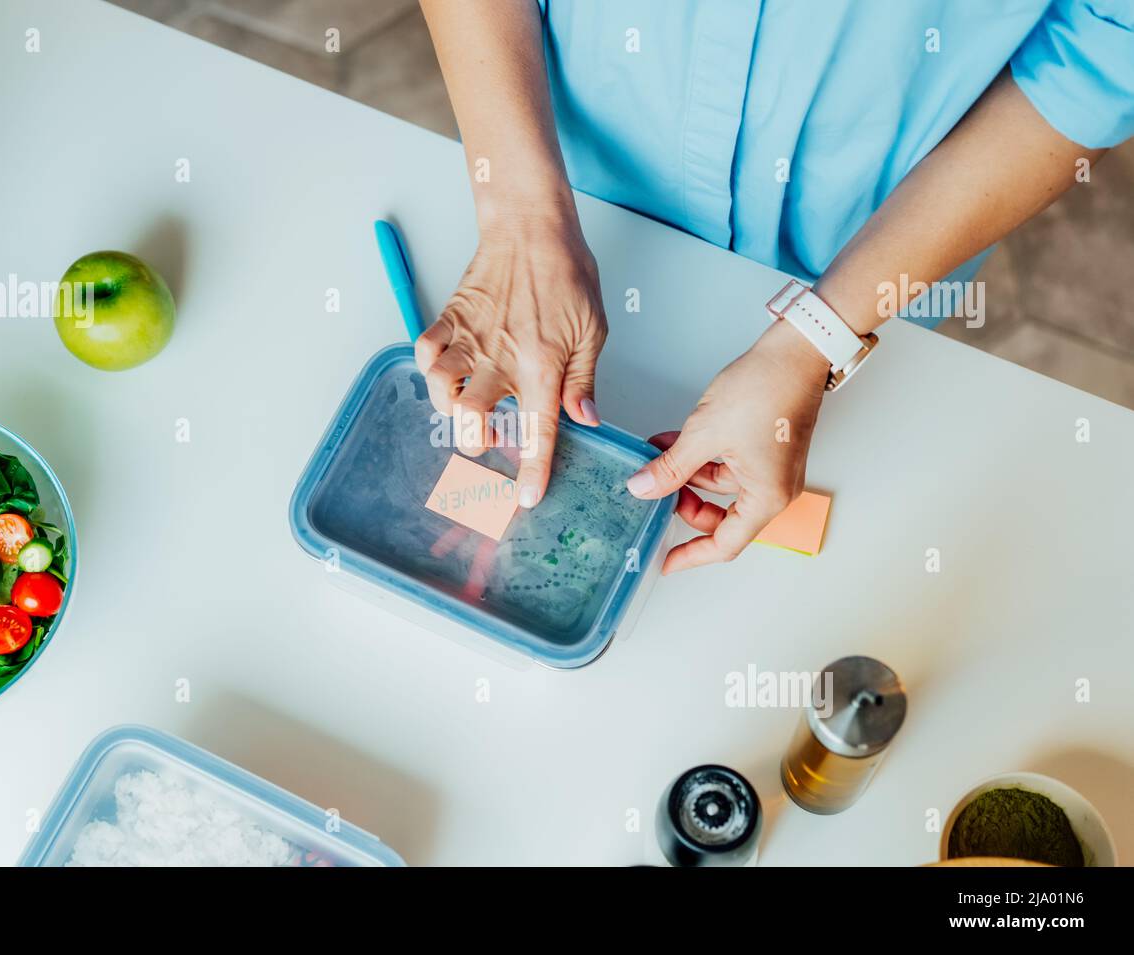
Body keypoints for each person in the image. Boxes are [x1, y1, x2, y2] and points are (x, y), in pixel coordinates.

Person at [416, 0, 1134, 573]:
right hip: (559, 164)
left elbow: (1104, 47)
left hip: (874, 249)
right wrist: (522, 215)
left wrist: (815, 339)